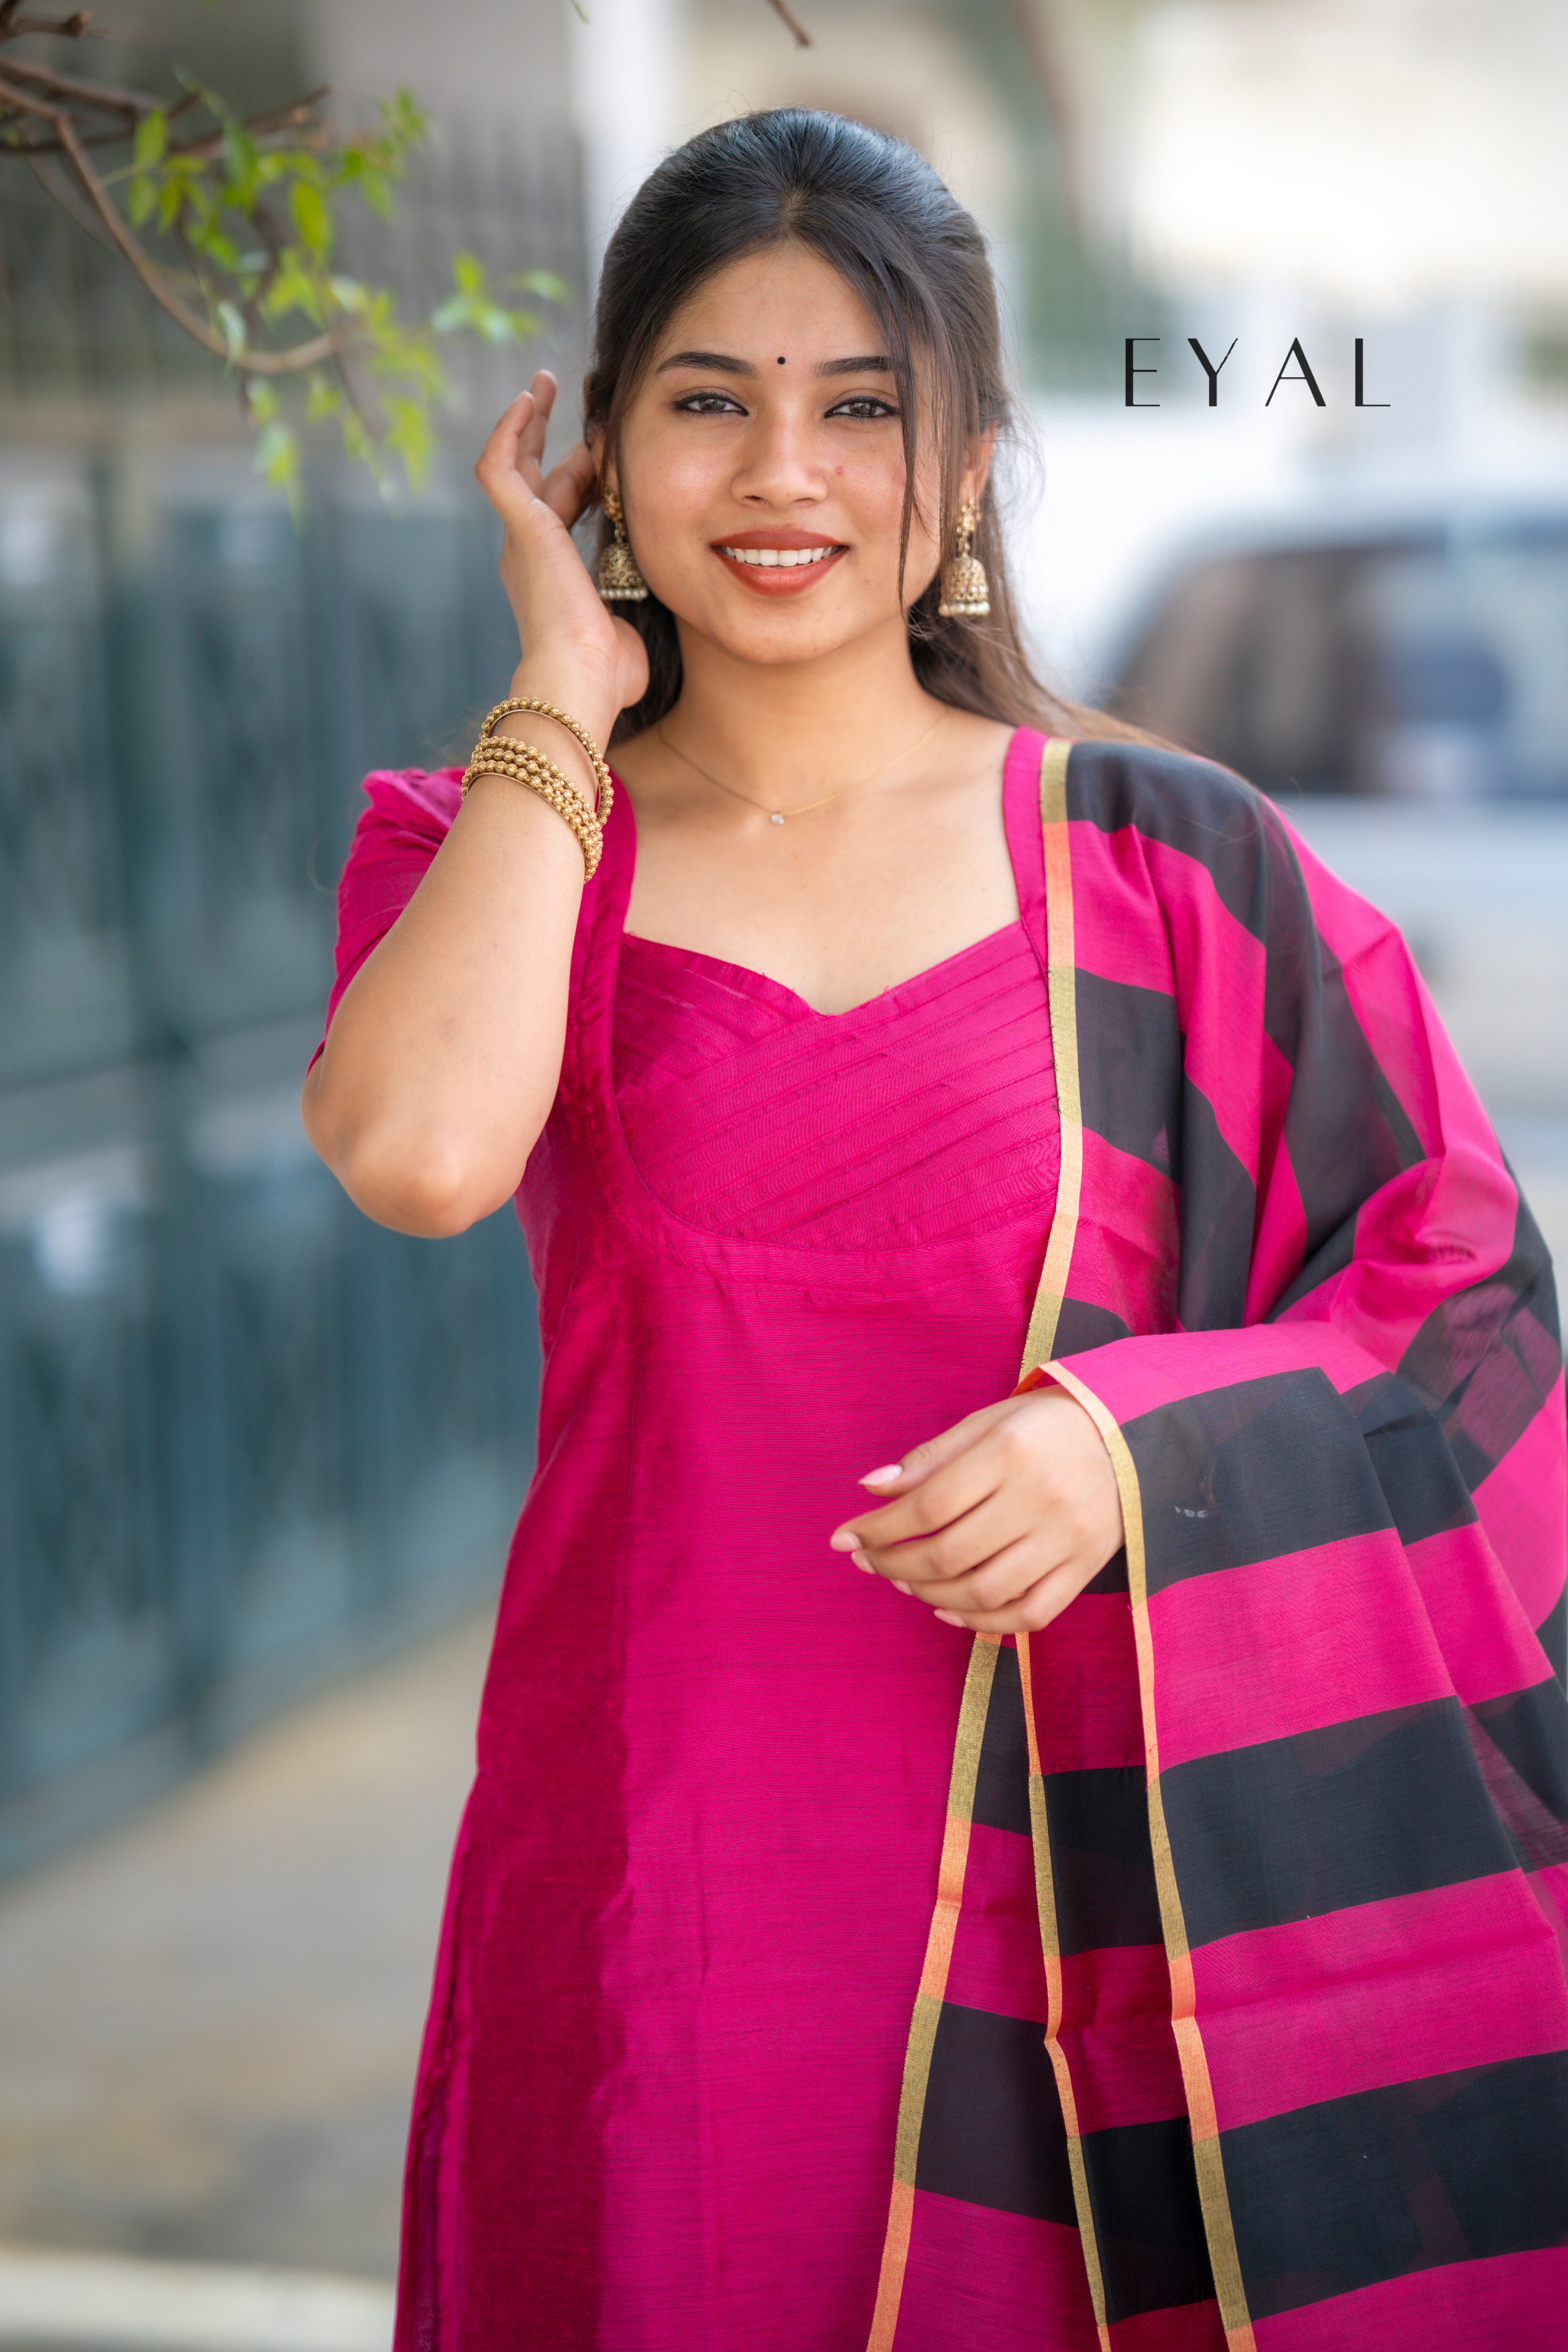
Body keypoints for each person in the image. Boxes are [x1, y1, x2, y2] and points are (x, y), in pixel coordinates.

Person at [302, 110, 1568, 2352]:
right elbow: (415, 1154)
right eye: (709, 402)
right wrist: (561, 698)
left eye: (861, 407)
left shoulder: (1165, 864)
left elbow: (1459, 1299)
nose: (784, 471)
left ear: (968, 461)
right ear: (600, 452)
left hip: (1102, 1877)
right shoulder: (504, 837)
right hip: (660, 1860)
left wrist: (1134, 1446)